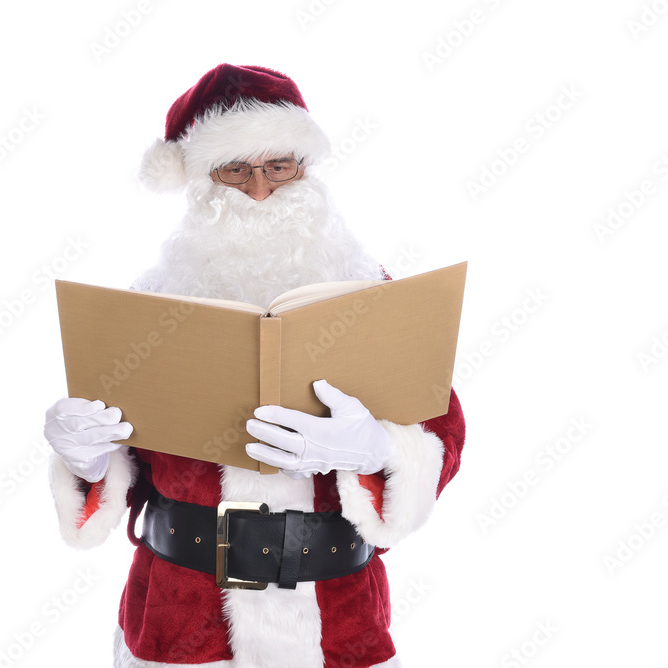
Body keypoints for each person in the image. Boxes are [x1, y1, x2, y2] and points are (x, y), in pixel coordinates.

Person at [45, 64, 465, 668]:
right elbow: (123, 458)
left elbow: (442, 427)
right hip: (182, 621)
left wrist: (377, 450)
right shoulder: (149, 307)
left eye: (279, 166)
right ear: (200, 181)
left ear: (306, 166)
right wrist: (86, 457)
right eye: (236, 170)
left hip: (337, 621)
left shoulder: (372, 294)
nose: (261, 190)